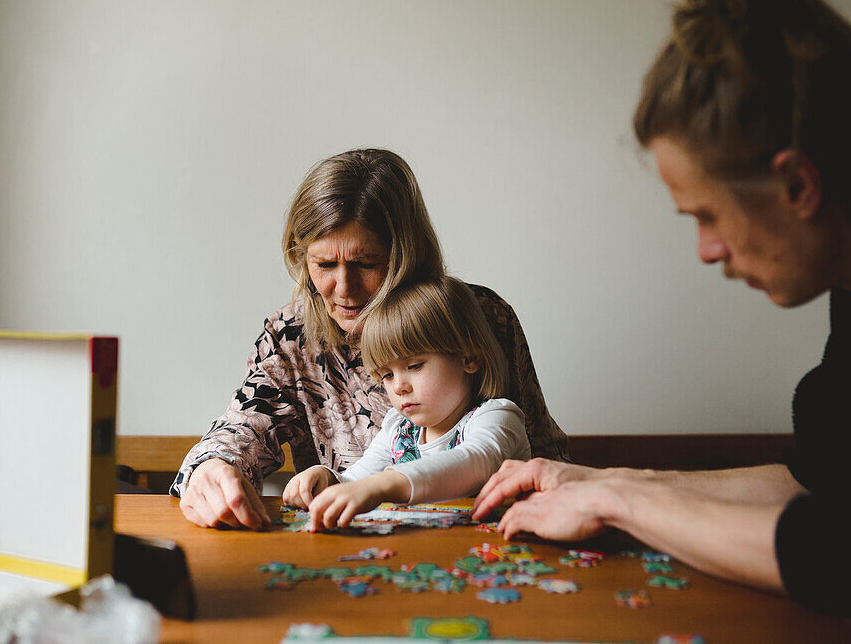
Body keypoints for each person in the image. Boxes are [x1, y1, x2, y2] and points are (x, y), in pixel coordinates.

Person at [472, 0, 851, 641]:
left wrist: (626, 504)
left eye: (708, 215)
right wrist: (606, 480)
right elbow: (829, 476)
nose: (707, 251)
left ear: (798, 183)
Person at [171, 149, 567, 531]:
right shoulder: (291, 338)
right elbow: (241, 429)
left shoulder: (480, 316)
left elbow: (537, 458)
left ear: (405, 255)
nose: (344, 288)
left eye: (365, 264)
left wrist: (381, 486)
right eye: (324, 265)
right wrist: (212, 468)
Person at [282, 275, 531, 530]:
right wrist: (326, 479)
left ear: (468, 358)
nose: (399, 386)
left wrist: (381, 485)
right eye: (387, 375)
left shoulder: (497, 417)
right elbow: (357, 481)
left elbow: (475, 460)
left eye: (414, 366)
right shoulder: (398, 429)